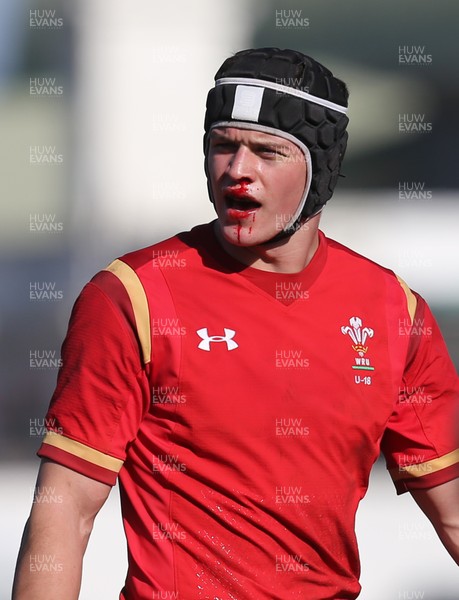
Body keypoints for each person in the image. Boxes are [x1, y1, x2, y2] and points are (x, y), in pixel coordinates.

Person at [13, 47, 459, 599]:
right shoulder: (134, 297)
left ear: (321, 170)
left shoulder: (394, 311)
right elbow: (65, 512)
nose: (238, 171)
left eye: (267, 152)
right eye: (223, 146)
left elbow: (453, 512)